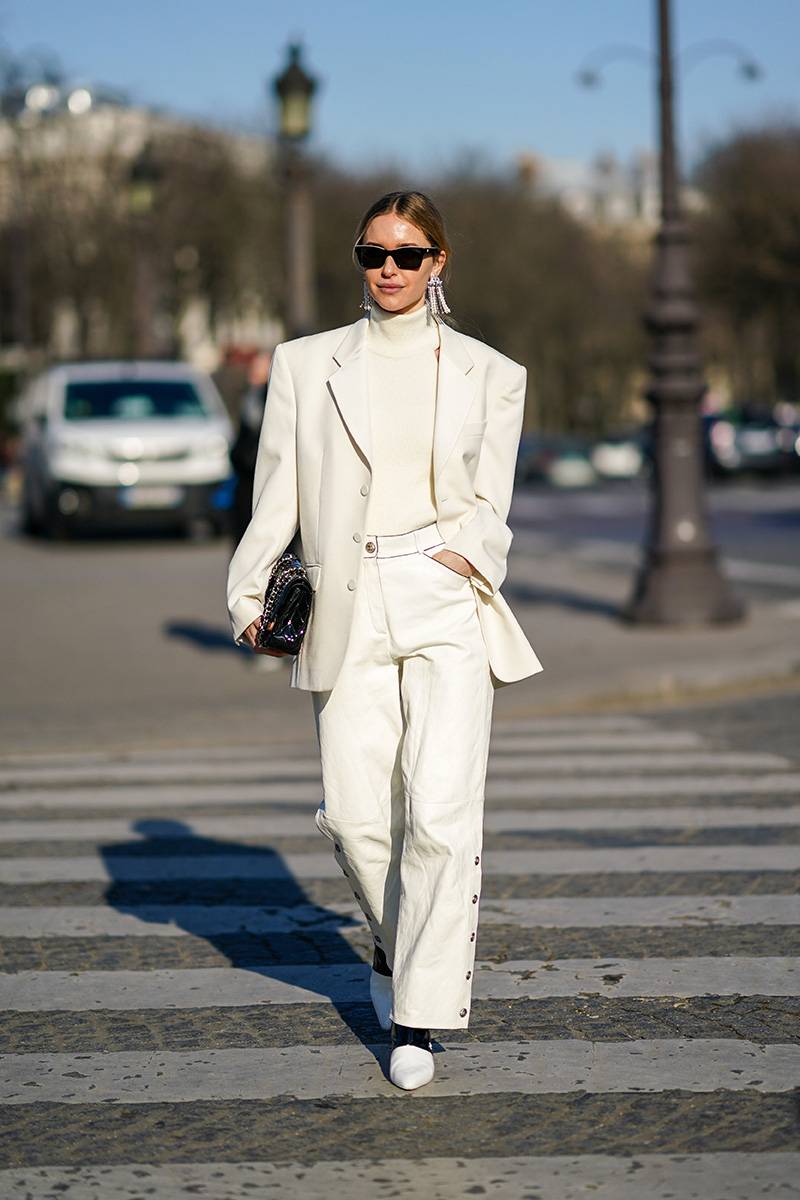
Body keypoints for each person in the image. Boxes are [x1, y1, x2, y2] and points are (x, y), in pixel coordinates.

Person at [226, 190, 543, 1091]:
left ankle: (418, 1016)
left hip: (444, 599)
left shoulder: (493, 373)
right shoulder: (305, 364)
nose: (390, 270)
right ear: (359, 261)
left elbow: (494, 503)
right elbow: (276, 491)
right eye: (374, 255)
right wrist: (248, 590)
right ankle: (394, 940)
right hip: (346, 595)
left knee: (440, 813)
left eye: (408, 255)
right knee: (358, 816)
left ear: (439, 262)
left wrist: (467, 557)